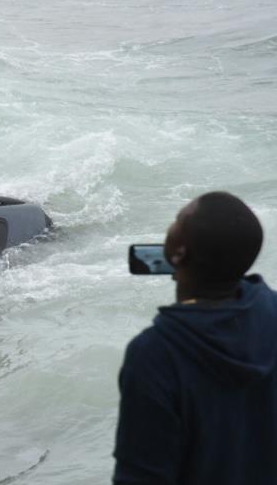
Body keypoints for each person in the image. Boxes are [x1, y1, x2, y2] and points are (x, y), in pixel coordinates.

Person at [114, 191, 276, 485]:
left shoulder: (154, 354)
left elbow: (140, 477)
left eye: (177, 221)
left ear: (177, 252)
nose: (171, 225)